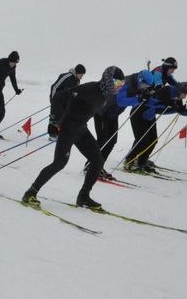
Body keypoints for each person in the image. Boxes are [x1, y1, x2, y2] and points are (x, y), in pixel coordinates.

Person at [23, 66, 125, 209]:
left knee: (97, 161)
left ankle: (84, 196)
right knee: (59, 163)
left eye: (121, 84)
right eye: (117, 83)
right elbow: (58, 98)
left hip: (81, 129)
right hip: (68, 129)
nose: (119, 87)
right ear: (108, 80)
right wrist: (54, 120)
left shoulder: (106, 95)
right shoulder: (89, 89)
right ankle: (31, 193)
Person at [123, 79, 187, 173]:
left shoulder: (178, 97)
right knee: (142, 140)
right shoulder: (167, 90)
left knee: (153, 140)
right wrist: (167, 104)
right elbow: (150, 101)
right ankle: (129, 161)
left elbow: (179, 110)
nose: (185, 97)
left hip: (149, 116)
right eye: (185, 94)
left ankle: (142, 162)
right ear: (180, 91)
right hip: (139, 113)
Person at [47, 64, 86, 139]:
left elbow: (72, 93)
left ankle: (59, 134)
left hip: (64, 101)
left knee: (63, 117)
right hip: (56, 99)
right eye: (81, 74)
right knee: (54, 116)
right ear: (77, 72)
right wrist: (53, 99)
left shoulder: (76, 81)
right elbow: (54, 86)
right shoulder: (67, 76)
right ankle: (52, 134)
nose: (82, 76)